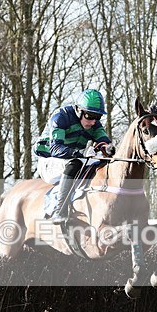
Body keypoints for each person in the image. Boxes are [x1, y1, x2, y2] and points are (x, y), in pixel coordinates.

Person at [34, 88, 115, 223]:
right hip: (49, 160)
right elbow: (55, 148)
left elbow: (103, 141)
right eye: (89, 116)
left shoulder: (94, 123)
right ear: (79, 110)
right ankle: (59, 211)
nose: (93, 121)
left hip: (73, 158)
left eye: (98, 117)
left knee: (98, 164)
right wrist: (81, 153)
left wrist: (108, 148)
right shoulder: (61, 117)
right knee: (75, 163)